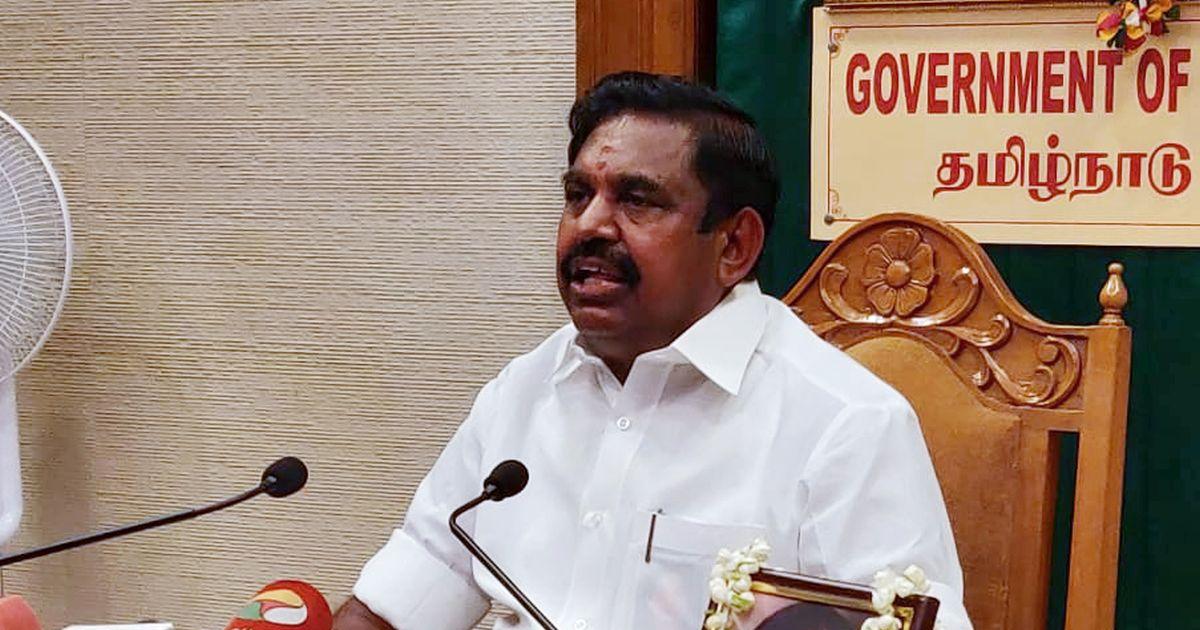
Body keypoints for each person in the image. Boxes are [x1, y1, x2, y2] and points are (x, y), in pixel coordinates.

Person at [332, 71, 973, 630]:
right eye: (578, 195)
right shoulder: (524, 390)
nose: (589, 225)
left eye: (636, 200)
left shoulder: (845, 424)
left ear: (734, 246)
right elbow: (397, 605)